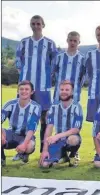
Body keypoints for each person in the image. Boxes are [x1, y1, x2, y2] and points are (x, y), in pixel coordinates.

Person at [15, 15, 57, 153]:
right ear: (30, 25)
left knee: (45, 119)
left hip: (43, 87)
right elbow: (18, 60)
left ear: (43, 25)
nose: (36, 26)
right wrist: (23, 75)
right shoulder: (24, 42)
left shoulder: (50, 43)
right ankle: (24, 151)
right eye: (33, 23)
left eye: (38, 23)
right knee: (25, 118)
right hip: (26, 88)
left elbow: (54, 63)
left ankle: (43, 151)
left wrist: (48, 75)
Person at [39, 80, 83, 168]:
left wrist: (57, 136)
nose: (64, 92)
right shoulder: (54, 108)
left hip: (70, 138)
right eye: (62, 89)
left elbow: (76, 129)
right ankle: (63, 156)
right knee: (44, 165)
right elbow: (49, 129)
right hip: (58, 141)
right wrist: (45, 150)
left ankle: (72, 155)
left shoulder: (77, 107)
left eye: (67, 90)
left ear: (72, 92)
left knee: (73, 139)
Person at [1, 81, 42, 166]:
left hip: (25, 136)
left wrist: (24, 144)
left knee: (29, 146)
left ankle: (24, 155)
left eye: (27, 89)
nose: (24, 91)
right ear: (17, 91)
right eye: (21, 89)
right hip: (11, 133)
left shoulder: (36, 107)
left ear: (32, 92)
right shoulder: (10, 104)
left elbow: (31, 128)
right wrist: (1, 135)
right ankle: (2, 158)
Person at [52, 31, 85, 103]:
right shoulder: (59, 57)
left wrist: (78, 88)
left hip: (74, 95)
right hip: (59, 94)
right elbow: (54, 73)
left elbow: (83, 76)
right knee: (57, 113)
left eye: (75, 41)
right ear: (67, 40)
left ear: (79, 42)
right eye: (71, 40)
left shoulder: (82, 58)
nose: (72, 43)